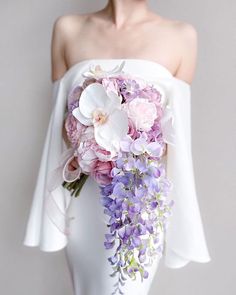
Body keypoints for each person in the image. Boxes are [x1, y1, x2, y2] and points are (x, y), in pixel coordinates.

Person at [23, 1, 211, 294]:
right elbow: (59, 125)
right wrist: (93, 131)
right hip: (83, 199)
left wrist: (133, 133)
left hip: (136, 201)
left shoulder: (181, 36)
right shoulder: (68, 29)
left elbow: (176, 139)